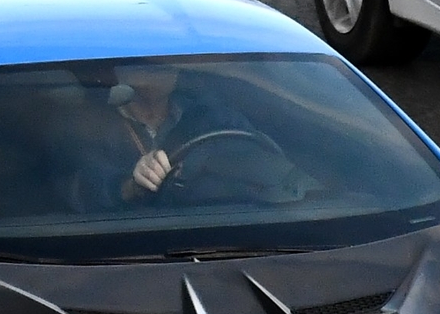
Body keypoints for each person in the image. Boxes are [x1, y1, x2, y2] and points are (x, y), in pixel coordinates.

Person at [93, 65, 301, 207]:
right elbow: (79, 190)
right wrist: (129, 186)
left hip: (230, 229)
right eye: (145, 63)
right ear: (120, 73)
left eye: (166, 63)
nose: (160, 70)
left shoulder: (213, 117)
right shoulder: (93, 127)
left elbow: (265, 161)